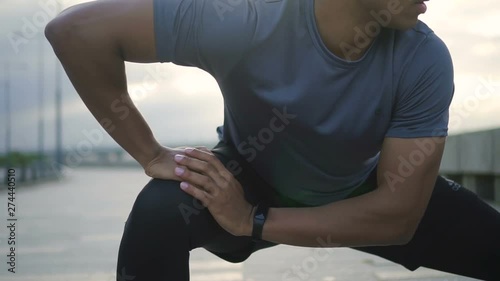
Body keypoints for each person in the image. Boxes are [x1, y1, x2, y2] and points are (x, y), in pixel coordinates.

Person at [45, 0, 500, 280]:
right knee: (158, 213)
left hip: (362, 192)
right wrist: (151, 154)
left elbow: (398, 218)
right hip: (249, 177)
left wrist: (253, 222)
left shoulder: (424, 58)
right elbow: (76, 32)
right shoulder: (248, 16)